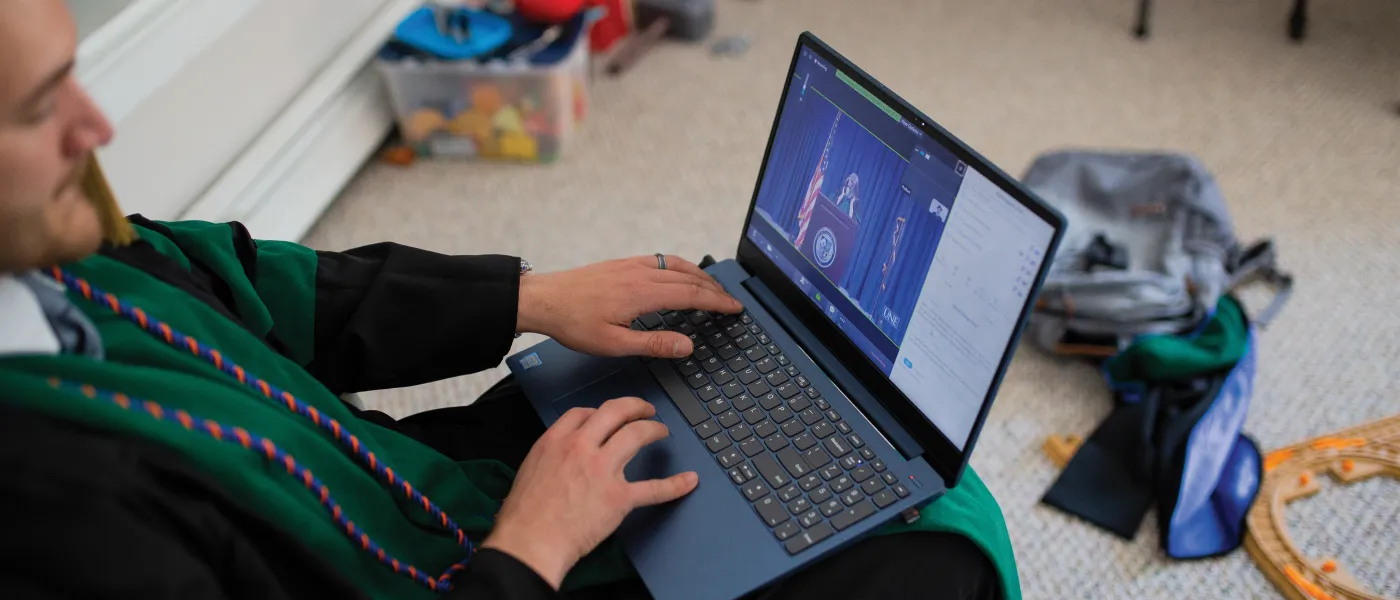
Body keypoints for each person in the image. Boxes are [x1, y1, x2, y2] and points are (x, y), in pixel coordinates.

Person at [0, 1, 1014, 599]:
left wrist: (530, 297)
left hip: (389, 477)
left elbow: (254, 283)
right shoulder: (53, 518)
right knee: (939, 551)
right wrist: (531, 545)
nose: (98, 129)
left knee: (686, 389)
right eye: (43, 108)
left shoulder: (50, 252)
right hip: (479, 574)